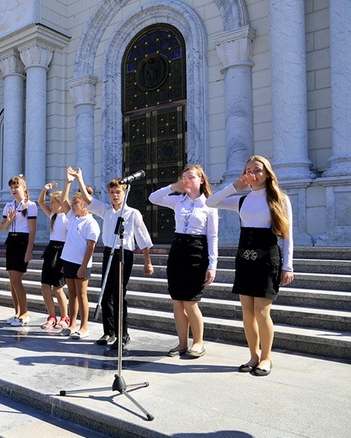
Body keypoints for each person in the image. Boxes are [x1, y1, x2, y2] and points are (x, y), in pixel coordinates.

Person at [206, 155, 294, 376]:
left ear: (267, 173)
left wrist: (288, 266)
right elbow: (210, 202)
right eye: (248, 171)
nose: (252, 174)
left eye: (257, 170)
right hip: (244, 259)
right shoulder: (241, 200)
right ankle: (253, 356)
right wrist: (234, 186)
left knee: (261, 311)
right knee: (247, 312)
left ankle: (266, 358)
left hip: (267, 259)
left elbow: (287, 236)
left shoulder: (280, 199)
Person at [71, 166, 154, 348]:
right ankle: (109, 332)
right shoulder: (106, 210)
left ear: (124, 193)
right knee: (106, 294)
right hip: (109, 252)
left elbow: (143, 238)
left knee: (119, 296)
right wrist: (79, 178)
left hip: (124, 254)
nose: (115, 195)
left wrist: (148, 262)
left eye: (118, 192)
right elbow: (87, 199)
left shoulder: (133, 213)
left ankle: (123, 334)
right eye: (111, 192)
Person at [149, 165, 218, 358]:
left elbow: (213, 236)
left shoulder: (210, 204)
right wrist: (173, 186)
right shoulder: (178, 200)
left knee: (191, 301)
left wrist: (212, 265)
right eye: (184, 177)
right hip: (178, 250)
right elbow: (153, 198)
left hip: (197, 251)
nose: (187, 180)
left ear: (201, 180)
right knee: (177, 301)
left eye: (191, 177)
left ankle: (198, 342)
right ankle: (181, 343)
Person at [59, 168, 100, 339]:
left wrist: (83, 266)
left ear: (84, 204)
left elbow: (90, 247)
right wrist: (68, 182)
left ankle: (84, 326)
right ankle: (72, 324)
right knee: (72, 294)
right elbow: (62, 200)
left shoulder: (91, 223)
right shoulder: (73, 217)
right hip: (68, 260)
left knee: (82, 294)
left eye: (76, 203)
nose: (72, 205)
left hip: (81, 263)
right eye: (73, 203)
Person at [0, 175, 37, 326]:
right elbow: (1, 228)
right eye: (12, 187)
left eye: (17, 187)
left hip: (23, 241)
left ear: (24, 187)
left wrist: (29, 250)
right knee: (12, 280)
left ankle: (25, 313)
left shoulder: (30, 205)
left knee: (16, 279)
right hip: (11, 240)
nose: (14, 190)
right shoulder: (8, 206)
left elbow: (32, 230)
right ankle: (17, 312)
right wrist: (9, 220)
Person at [37, 182, 70, 330]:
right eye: (50, 203)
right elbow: (40, 202)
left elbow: (70, 239)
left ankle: (64, 316)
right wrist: (45, 189)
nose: (50, 205)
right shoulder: (53, 216)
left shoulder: (68, 218)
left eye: (53, 203)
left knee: (58, 287)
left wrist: (65, 260)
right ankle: (51, 316)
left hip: (62, 250)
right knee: (45, 286)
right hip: (51, 250)